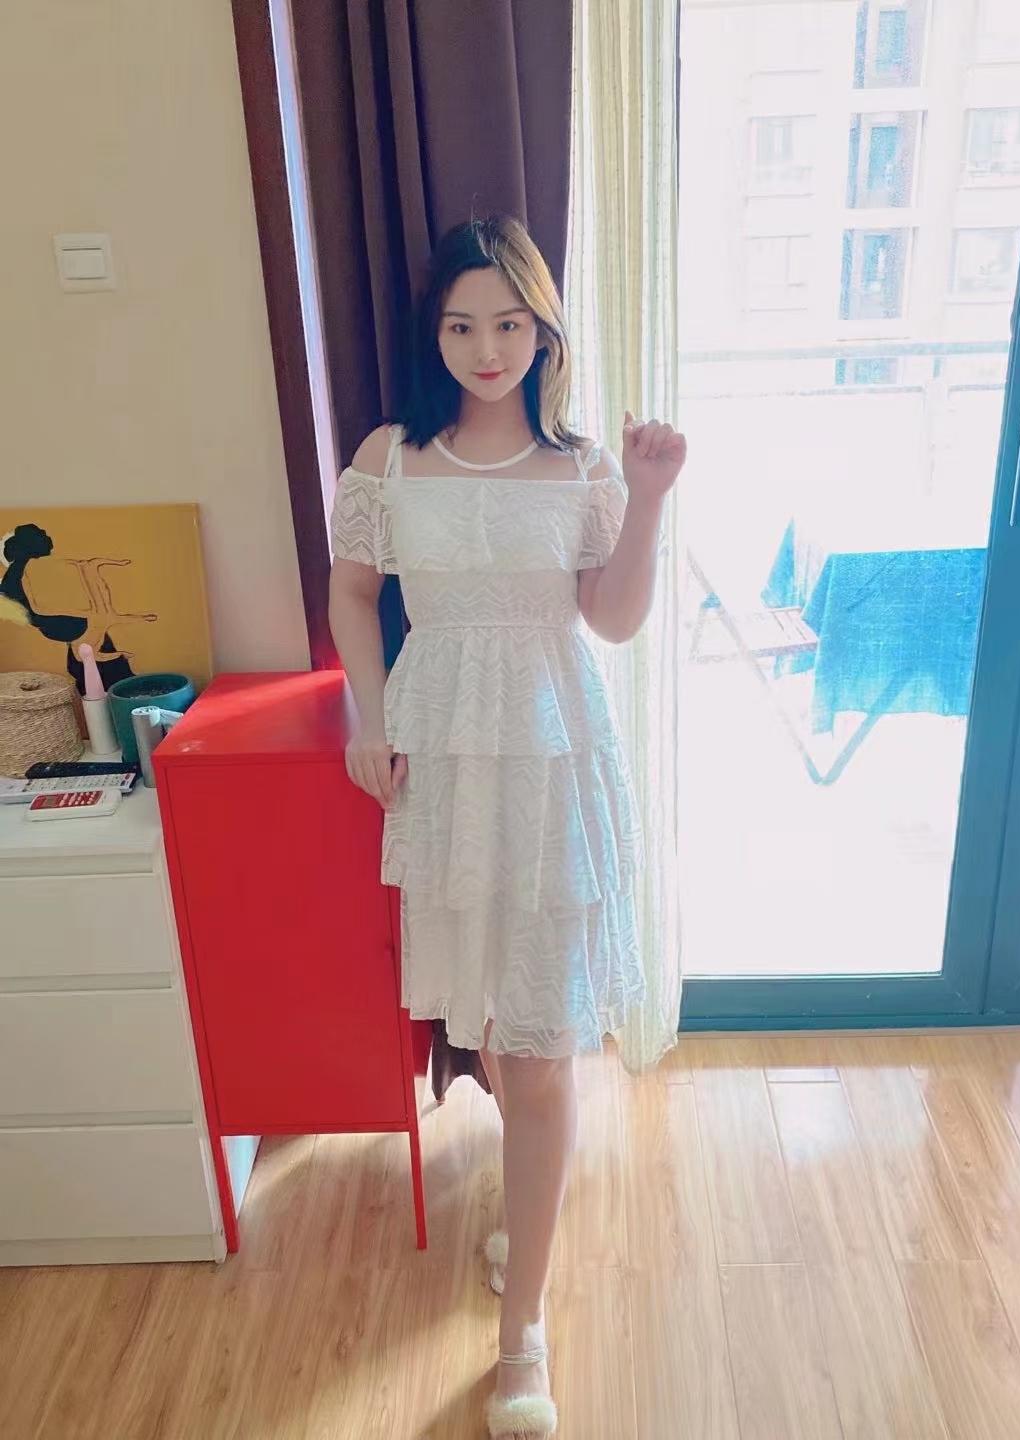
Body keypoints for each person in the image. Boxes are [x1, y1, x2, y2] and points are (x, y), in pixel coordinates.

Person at [328, 215, 684, 1439]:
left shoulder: (581, 467)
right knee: (485, 1026)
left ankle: (521, 1327)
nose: (488, 349)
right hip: (447, 769)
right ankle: (527, 1224)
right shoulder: (390, 458)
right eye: (462, 325)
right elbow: (355, 592)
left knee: (539, 1048)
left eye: (510, 323)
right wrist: (366, 716)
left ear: (544, 329)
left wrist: (646, 498)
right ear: (433, 336)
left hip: (550, 761)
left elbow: (614, 619)